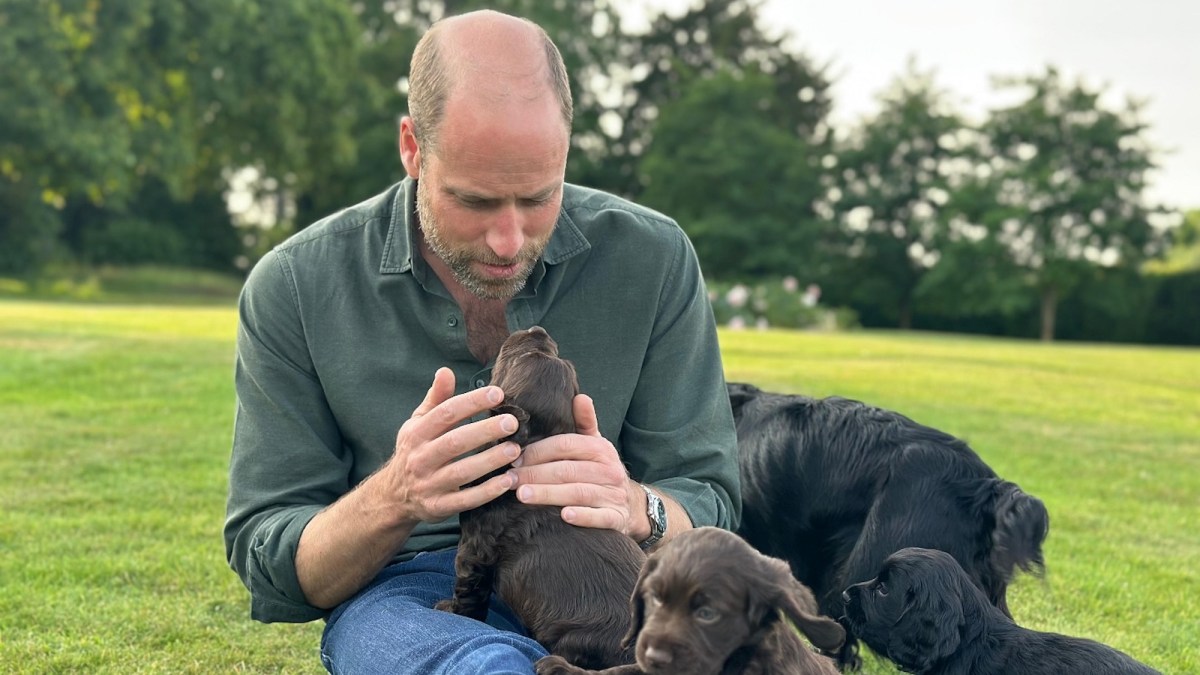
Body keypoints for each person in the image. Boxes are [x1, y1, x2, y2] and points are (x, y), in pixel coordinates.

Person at [223, 9, 740, 674]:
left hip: (614, 584)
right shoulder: (294, 286)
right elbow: (271, 554)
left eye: (537, 197)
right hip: (418, 593)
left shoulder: (654, 257)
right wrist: (397, 495)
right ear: (412, 147)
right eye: (474, 200)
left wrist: (637, 504)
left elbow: (711, 496)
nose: (508, 240)